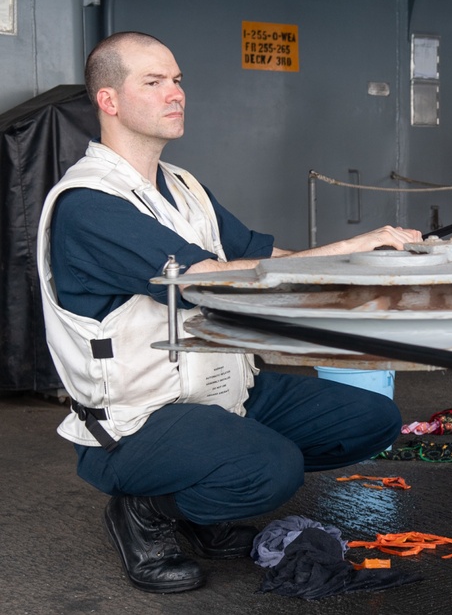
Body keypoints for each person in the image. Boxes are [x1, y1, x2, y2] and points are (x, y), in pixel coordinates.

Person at [35, 31, 423, 594]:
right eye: (154, 82)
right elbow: (200, 279)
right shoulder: (89, 203)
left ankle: (203, 502)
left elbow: (263, 259)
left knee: (370, 419)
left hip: (221, 393)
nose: (176, 93)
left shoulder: (185, 187)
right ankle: (146, 508)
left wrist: (360, 255)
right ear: (109, 101)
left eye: (178, 80)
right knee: (273, 467)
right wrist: (343, 250)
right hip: (134, 421)